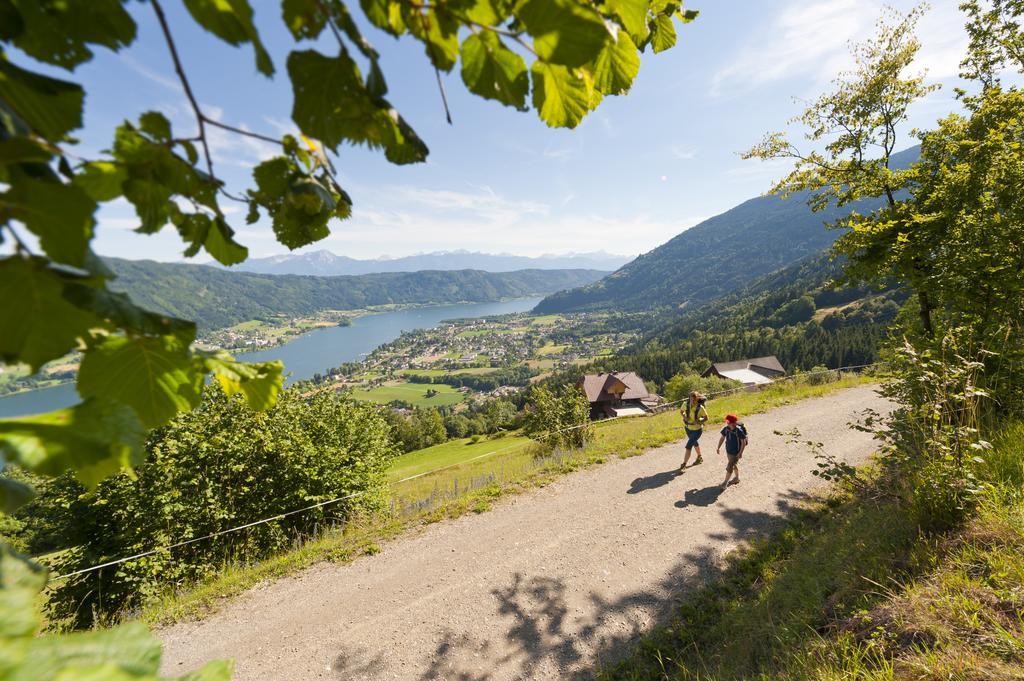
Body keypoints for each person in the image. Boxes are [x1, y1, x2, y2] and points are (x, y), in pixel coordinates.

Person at [716, 413, 747, 489]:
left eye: (728, 421)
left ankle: (725, 483)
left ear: (732, 422)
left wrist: (740, 453)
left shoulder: (738, 431)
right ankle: (736, 478)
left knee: (730, 466)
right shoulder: (726, 429)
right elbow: (722, 438)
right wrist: (718, 447)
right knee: (733, 465)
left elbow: (743, 442)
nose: (727, 423)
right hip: (728, 450)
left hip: (736, 452)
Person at [679, 391, 708, 470]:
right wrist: (684, 417)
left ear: (697, 399)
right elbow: (681, 411)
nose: (692, 401)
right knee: (694, 442)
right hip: (688, 428)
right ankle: (699, 457)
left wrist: (699, 421)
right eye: (691, 399)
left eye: (694, 400)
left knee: (689, 446)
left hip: (697, 430)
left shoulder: (700, 408)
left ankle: (684, 465)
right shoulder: (685, 404)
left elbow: (706, 418)